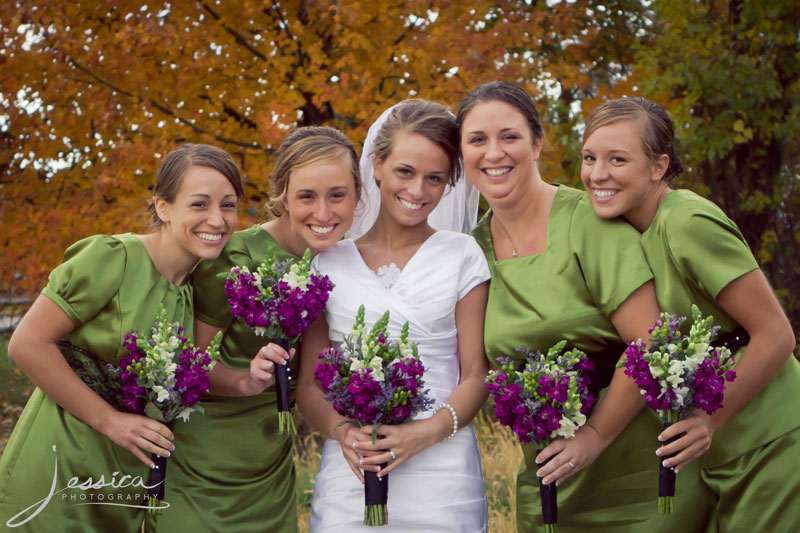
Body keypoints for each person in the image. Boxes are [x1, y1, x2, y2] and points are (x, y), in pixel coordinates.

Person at [458, 81, 715, 531]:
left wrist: (593, 437)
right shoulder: (470, 253)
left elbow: (652, 340)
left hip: (640, 479)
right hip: (549, 480)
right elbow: (472, 373)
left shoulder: (588, 220)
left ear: (538, 143)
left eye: (510, 137)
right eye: (477, 140)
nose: (493, 153)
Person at [581, 97, 800, 530]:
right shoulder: (628, 230)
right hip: (723, 457)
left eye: (617, 159)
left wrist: (709, 421)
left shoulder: (686, 222)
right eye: (589, 157)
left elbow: (777, 334)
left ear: (659, 166)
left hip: (773, 439)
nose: (597, 174)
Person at [0, 144, 243, 532]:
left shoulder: (194, 290)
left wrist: (251, 380)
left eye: (228, 205)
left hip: (123, 480)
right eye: (199, 204)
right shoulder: (113, 258)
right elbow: (26, 344)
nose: (217, 219)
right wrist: (110, 420)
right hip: (59, 464)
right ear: (162, 207)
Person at [148, 127, 361, 533]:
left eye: (338, 195)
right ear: (281, 195)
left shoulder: (341, 261)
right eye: (306, 197)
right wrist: (248, 378)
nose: (324, 212)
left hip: (273, 464)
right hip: (205, 462)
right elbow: (184, 370)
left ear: (358, 194)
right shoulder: (234, 259)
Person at [297, 99, 490, 532]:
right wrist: (342, 430)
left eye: (435, 178)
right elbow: (308, 383)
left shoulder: (462, 255)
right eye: (405, 172)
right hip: (352, 468)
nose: (418, 191)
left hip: (443, 472)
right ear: (377, 165)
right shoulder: (328, 262)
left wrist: (428, 432)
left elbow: (476, 375)